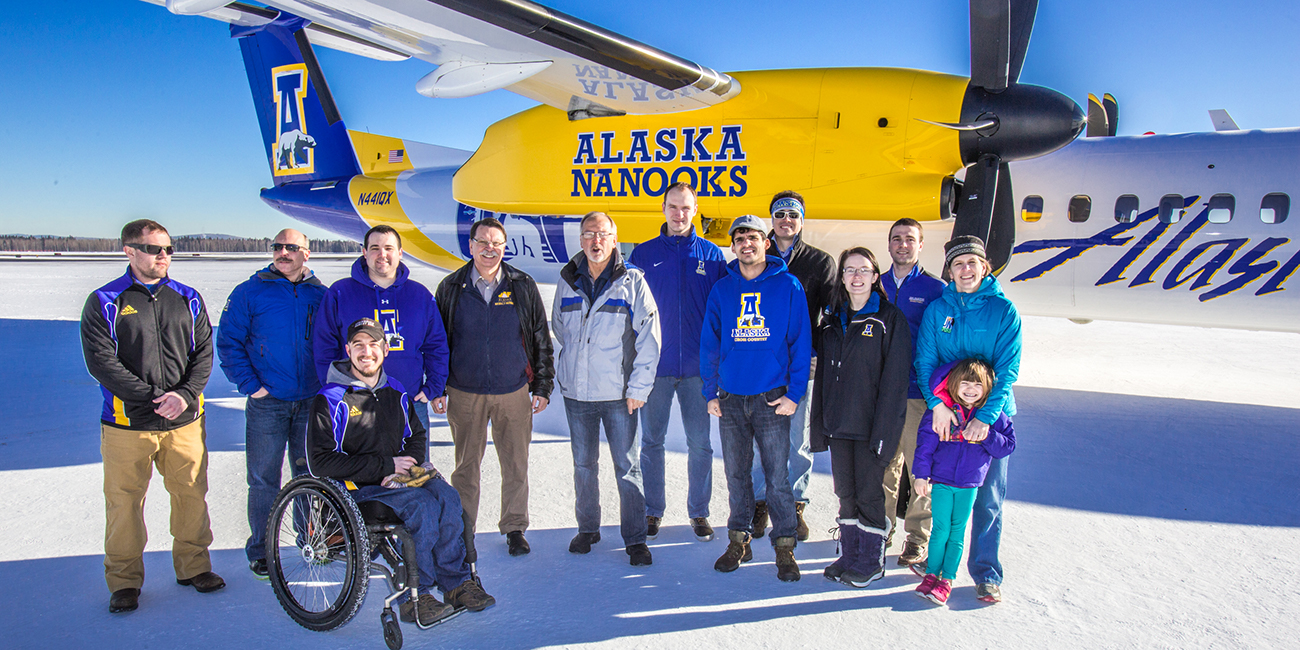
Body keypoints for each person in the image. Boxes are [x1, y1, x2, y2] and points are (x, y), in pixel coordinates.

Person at [307, 318, 495, 624]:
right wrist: (385, 467)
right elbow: (321, 462)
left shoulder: (395, 389)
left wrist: (407, 465)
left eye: (373, 345)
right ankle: (414, 596)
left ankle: (456, 583)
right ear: (347, 350)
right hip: (358, 488)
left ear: (385, 349)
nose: (366, 352)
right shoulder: (330, 398)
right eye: (358, 345)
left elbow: (416, 435)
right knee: (422, 506)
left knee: (447, 497)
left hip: (398, 481)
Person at [81, 219, 223, 614]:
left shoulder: (188, 297)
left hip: (185, 422)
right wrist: (152, 398)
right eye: (154, 249)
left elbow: (204, 355)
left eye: (168, 249)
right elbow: (102, 363)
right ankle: (124, 582)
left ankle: (194, 567)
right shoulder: (105, 300)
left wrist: (184, 395)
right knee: (124, 504)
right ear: (129, 251)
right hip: (127, 425)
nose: (164, 257)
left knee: (191, 495)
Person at [432, 218, 554, 557]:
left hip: (512, 390)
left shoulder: (522, 285)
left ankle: (514, 527)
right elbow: (437, 342)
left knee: (516, 464)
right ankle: (463, 529)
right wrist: (438, 386)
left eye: (496, 243)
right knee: (466, 467)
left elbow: (540, 338)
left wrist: (542, 385)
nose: (490, 249)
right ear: (470, 246)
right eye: (483, 242)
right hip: (464, 391)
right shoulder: (451, 287)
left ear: (504, 247)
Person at [702, 215, 812, 582]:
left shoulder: (789, 286)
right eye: (739, 239)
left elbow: (800, 344)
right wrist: (710, 391)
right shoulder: (722, 290)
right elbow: (710, 344)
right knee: (736, 475)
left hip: (772, 398)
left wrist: (794, 394)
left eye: (753, 237)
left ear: (766, 243)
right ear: (732, 246)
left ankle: (784, 547)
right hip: (731, 398)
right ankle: (739, 540)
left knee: (778, 477)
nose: (746, 244)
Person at [914, 235, 1022, 604]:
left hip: (990, 417)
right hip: (948, 415)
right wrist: (936, 405)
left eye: (972, 262)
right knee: (944, 492)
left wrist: (987, 419)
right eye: (958, 264)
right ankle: (938, 567)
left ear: (984, 266)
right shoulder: (937, 310)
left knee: (987, 497)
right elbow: (925, 361)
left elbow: (1008, 370)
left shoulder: (1003, 310)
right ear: (950, 270)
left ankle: (986, 572)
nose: (965, 270)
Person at [216, 228, 327, 578]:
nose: (283, 252)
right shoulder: (250, 292)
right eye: (278, 247)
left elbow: (335, 342)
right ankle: (262, 549)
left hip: (310, 402)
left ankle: (312, 538)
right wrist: (252, 386)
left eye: (291, 248)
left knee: (309, 474)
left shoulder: (320, 295)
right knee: (263, 478)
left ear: (306, 254)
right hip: (269, 402)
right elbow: (229, 342)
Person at [552, 211, 661, 566]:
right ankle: (588, 529)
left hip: (619, 395)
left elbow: (649, 337)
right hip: (578, 395)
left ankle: (635, 538)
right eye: (589, 234)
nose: (596, 241)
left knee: (627, 466)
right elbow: (560, 329)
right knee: (583, 465)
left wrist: (638, 387)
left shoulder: (631, 281)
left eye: (603, 234)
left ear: (614, 240)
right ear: (581, 240)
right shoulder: (567, 280)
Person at [628, 182, 727, 542]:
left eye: (686, 208)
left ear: (695, 210)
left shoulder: (713, 256)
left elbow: (723, 313)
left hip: (698, 373)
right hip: (654, 369)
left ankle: (699, 512)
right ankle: (653, 510)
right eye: (673, 206)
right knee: (651, 442)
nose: (679, 214)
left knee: (700, 444)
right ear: (664, 208)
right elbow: (630, 312)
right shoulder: (642, 255)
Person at [810, 247, 911, 588]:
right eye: (850, 270)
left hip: (870, 426)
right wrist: (820, 424)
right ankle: (850, 553)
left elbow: (895, 383)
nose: (856, 276)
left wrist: (885, 432)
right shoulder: (833, 321)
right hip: (840, 425)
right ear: (841, 277)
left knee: (870, 494)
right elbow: (824, 376)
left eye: (864, 270)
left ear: (875, 276)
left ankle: (871, 560)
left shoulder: (888, 319)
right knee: (846, 491)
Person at [752, 190, 835, 541]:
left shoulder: (819, 262)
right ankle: (759, 503)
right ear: (772, 219)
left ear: (802, 220)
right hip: (760, 362)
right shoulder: (757, 254)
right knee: (761, 438)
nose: (787, 220)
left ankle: (796, 503)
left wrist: (822, 355)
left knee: (797, 441)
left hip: (803, 363)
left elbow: (831, 315)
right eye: (780, 214)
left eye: (793, 215)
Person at [313, 224, 449, 436]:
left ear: (400, 253)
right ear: (364, 252)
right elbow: (324, 346)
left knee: (415, 467)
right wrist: (335, 390)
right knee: (361, 467)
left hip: (409, 402)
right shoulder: (340, 292)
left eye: (388, 248)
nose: (382, 254)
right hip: (356, 404)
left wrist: (434, 386)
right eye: (375, 248)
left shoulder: (420, 295)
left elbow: (436, 346)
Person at [912, 359, 1016, 606]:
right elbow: (925, 446)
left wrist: (987, 434)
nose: (971, 389)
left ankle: (946, 579)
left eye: (978, 384)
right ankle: (930, 575)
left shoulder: (992, 416)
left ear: (988, 386)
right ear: (954, 385)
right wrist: (921, 475)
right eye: (965, 383)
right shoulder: (943, 411)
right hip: (943, 482)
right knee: (940, 530)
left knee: (956, 532)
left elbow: (1008, 445)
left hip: (969, 485)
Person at [878, 218, 946, 568]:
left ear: (921, 245)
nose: (903, 245)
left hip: (917, 394)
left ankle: (918, 538)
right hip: (881, 394)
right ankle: (881, 530)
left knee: (920, 470)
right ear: (888, 245)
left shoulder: (935, 289)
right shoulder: (877, 284)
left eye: (910, 239)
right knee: (884, 467)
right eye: (897, 239)